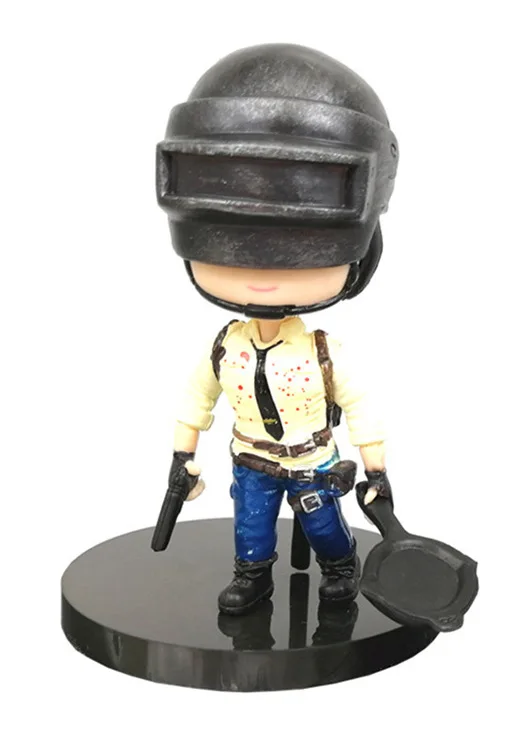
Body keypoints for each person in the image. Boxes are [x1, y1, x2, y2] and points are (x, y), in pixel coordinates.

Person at [156, 43, 398, 615]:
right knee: (251, 526)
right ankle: (252, 576)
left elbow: (360, 407)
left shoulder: (324, 352)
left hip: (312, 460)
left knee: (326, 528)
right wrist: (181, 457)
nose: (261, 275)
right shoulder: (225, 348)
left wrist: (377, 470)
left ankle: (340, 567)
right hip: (252, 460)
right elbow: (197, 399)